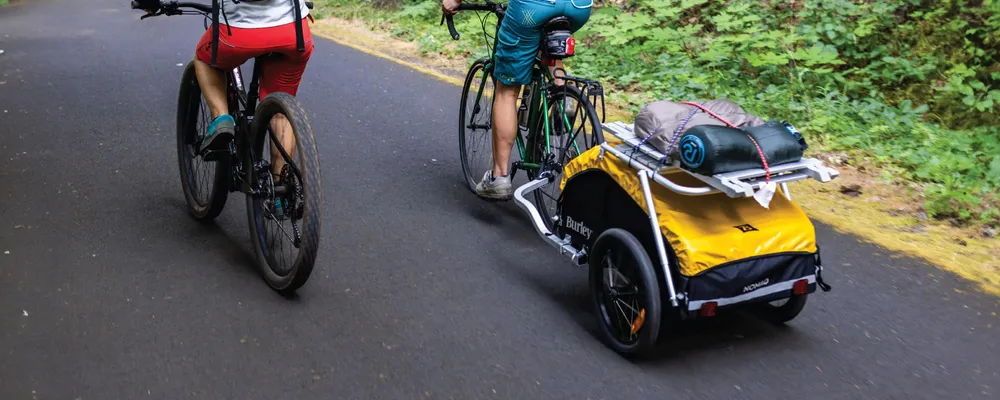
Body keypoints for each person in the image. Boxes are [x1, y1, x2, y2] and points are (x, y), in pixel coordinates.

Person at [137, 0, 314, 180]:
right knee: (279, 114)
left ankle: (221, 118)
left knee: (204, 59)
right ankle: (281, 194)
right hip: (294, 33)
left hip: (237, 34)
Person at [443, 0, 592, 200]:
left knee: (507, 91)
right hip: (579, 7)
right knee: (546, 40)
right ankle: (562, 94)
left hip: (533, 8)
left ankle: (499, 178)